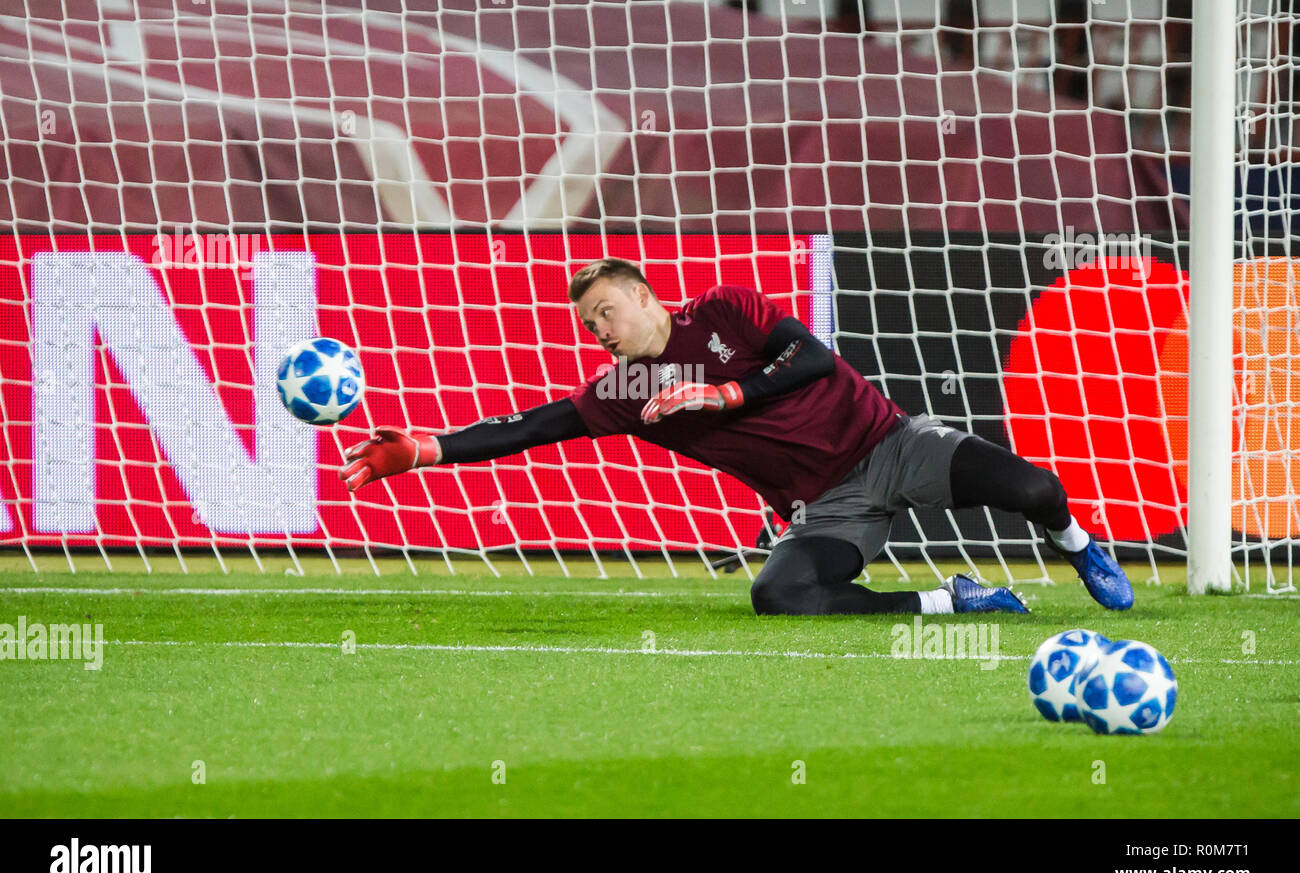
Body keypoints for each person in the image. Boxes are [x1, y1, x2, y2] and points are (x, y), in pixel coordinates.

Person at [339, 258, 1134, 615]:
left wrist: (724, 392)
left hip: (890, 441)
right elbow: (533, 428)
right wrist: (421, 450)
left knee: (1037, 491)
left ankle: (1077, 544)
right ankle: (951, 600)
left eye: (607, 312)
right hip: (826, 506)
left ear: (647, 297)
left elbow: (814, 358)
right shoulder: (621, 392)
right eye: (589, 326)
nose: (599, 332)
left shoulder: (724, 310)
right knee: (777, 595)